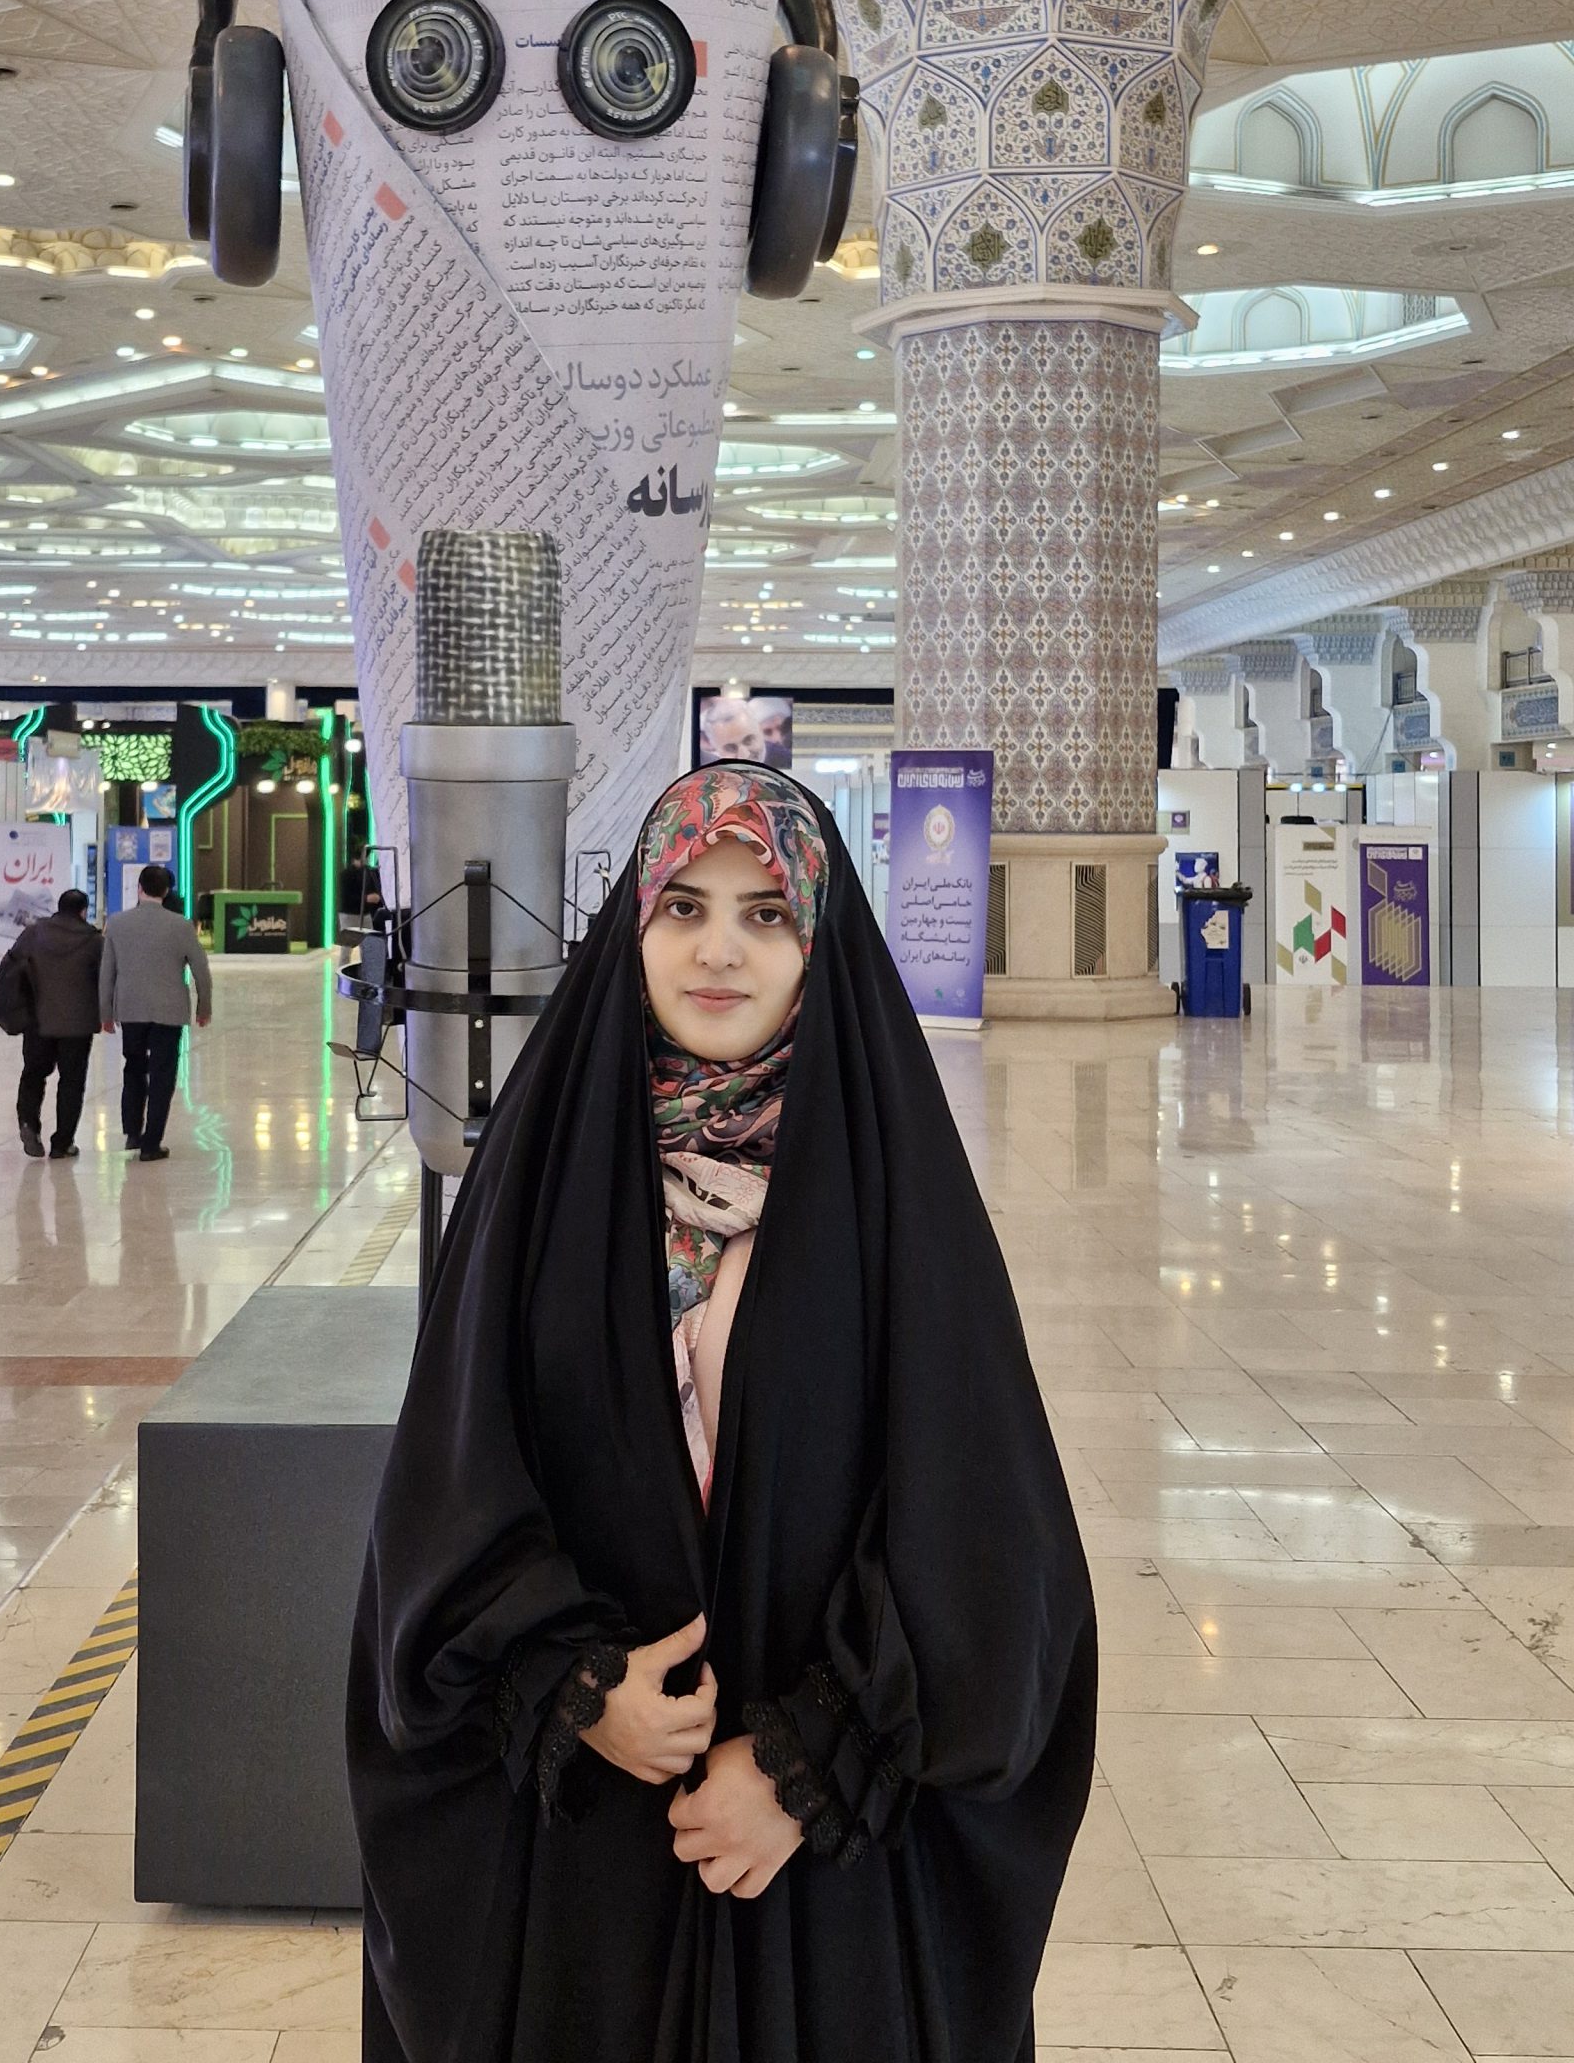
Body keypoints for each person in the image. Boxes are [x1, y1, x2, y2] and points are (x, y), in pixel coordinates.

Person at [350, 766, 1096, 2062]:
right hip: (588, 1846)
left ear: (818, 939)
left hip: (825, 1870)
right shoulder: (543, 1177)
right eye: (684, 906)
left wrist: (812, 1762)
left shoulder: (893, 1191)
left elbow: (988, 1533)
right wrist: (578, 1687)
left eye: (766, 913)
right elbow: (449, 1490)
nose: (718, 950)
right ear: (632, 925)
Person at [100, 862, 212, 1162]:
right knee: (163, 1074)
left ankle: (132, 1132)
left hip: (131, 1009)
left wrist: (106, 1013)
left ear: (139, 888)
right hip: (169, 1010)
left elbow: (107, 972)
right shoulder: (181, 926)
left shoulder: (117, 923)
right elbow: (201, 969)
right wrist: (204, 1006)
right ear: (165, 891)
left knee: (133, 1067)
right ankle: (152, 1142)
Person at [0, 887, 103, 1160]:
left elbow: (12, 965)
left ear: (59, 908)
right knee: (71, 1082)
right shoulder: (93, 940)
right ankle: (62, 1143)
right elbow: (103, 979)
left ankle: (29, 1123)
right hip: (77, 1024)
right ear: (83, 911)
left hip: (38, 1020)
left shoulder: (33, 933)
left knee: (34, 1074)